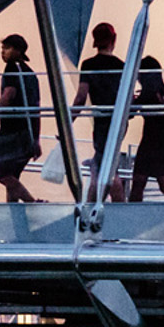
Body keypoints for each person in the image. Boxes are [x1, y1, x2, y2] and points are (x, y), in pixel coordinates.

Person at [0, 34, 42, 203]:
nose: (3, 52)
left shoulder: (12, 68)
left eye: (7, 48)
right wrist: (36, 138)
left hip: (12, 131)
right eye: (2, 48)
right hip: (27, 131)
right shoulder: (30, 73)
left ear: (18, 50)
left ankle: (32, 202)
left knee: (3, 173)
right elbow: (36, 105)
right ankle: (12, 211)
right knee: (13, 175)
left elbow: (8, 95)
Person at [72, 23, 127, 201]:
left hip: (101, 121)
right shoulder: (121, 65)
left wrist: (68, 123)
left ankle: (115, 208)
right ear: (114, 40)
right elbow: (126, 96)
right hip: (118, 121)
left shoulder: (88, 65)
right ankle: (91, 206)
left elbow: (81, 98)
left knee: (107, 168)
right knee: (103, 163)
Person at [128, 57, 164, 202]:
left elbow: (129, 114)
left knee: (138, 184)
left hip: (150, 143)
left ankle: (132, 214)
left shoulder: (147, 94)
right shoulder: (163, 92)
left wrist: (131, 97)